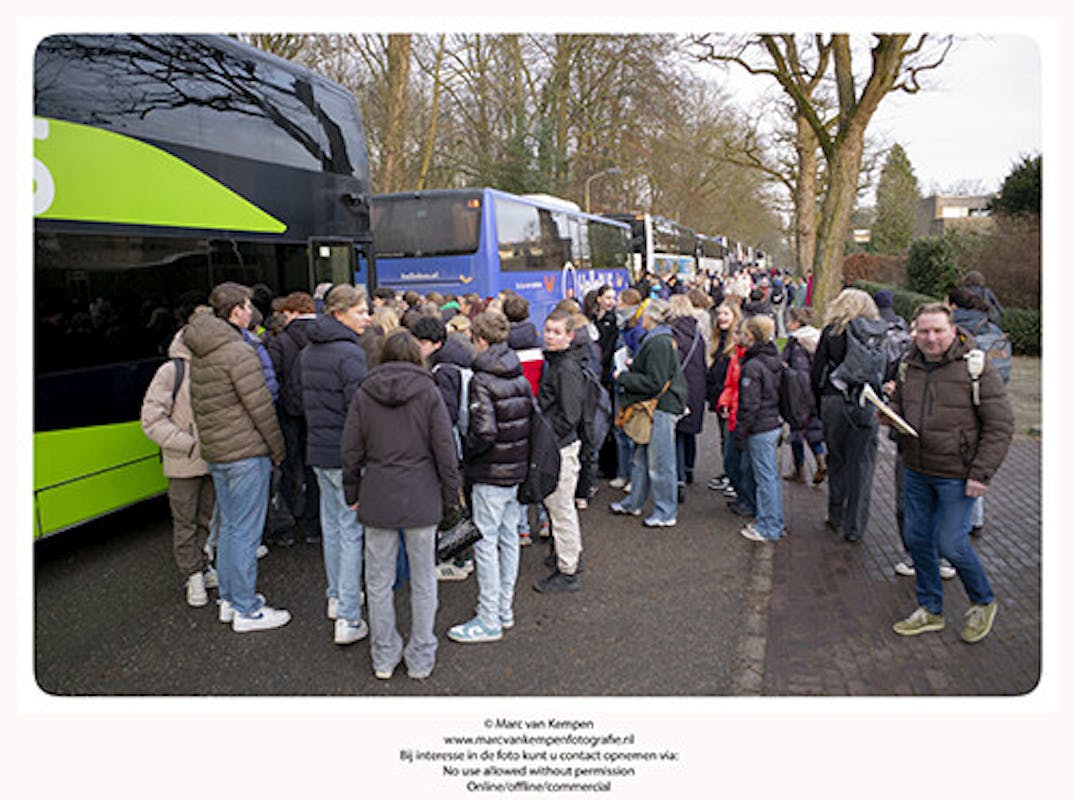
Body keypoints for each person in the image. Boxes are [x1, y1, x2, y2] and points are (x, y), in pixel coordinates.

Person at [888, 303, 1013, 643]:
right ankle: (930, 608)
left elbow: (1000, 425)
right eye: (924, 331)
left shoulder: (975, 366)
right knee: (917, 539)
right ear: (915, 332)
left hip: (957, 474)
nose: (931, 338)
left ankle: (983, 601)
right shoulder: (908, 363)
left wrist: (981, 474)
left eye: (938, 331)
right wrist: (889, 411)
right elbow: (902, 404)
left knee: (951, 543)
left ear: (953, 330)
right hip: (916, 469)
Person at [341, 329, 462, 679]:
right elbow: (445, 451)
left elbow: (350, 449)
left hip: (378, 493)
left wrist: (352, 492)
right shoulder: (429, 391)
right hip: (421, 495)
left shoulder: (365, 393)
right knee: (424, 580)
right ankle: (421, 656)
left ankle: (383, 655)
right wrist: (450, 498)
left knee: (378, 582)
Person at [184, 283, 288, 632]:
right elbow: (260, 407)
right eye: (247, 306)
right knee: (245, 532)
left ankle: (229, 599)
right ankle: (246, 608)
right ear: (236, 311)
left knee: (229, 528)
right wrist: (277, 449)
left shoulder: (202, 351)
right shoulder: (239, 352)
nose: (251, 312)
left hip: (218, 452)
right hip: (246, 451)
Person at [446, 311, 532, 643]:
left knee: (485, 544)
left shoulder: (481, 379)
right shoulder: (517, 374)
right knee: (509, 539)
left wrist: (469, 456)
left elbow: (483, 431)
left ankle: (488, 617)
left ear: (480, 340)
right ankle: (503, 609)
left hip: (490, 472)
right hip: (516, 469)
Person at [300, 285, 372, 644]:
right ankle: (348, 615)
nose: (367, 318)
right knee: (350, 530)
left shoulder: (309, 350)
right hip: (346, 455)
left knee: (333, 528)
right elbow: (359, 412)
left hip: (319, 450)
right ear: (339, 313)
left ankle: (336, 595)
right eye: (361, 312)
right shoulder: (350, 353)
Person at [140, 308, 217, 608]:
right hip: (184, 460)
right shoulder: (171, 371)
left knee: (206, 518)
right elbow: (151, 420)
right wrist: (188, 444)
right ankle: (192, 574)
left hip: (212, 458)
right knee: (185, 521)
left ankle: (204, 564)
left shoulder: (213, 365)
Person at [810, 288, 883, 543]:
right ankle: (855, 526)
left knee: (837, 459)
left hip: (835, 401)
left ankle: (835, 515)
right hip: (866, 400)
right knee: (862, 465)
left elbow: (817, 371)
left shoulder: (832, 332)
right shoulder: (879, 333)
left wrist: (818, 402)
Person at [610, 299, 688, 528]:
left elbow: (655, 382)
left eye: (643, 314)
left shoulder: (658, 342)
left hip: (660, 407)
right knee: (642, 459)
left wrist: (623, 377)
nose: (640, 318)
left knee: (659, 463)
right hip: (658, 406)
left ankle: (665, 513)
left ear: (651, 317)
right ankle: (634, 503)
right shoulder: (660, 339)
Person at [534, 308, 588, 592]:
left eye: (556, 332)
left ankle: (567, 570)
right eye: (548, 331)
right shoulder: (559, 363)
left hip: (560, 447)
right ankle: (568, 555)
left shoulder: (565, 368)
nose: (550, 337)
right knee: (559, 506)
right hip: (559, 444)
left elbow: (570, 415)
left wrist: (546, 439)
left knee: (560, 507)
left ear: (569, 336)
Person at [266, 291, 320, 546]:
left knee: (288, 468)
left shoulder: (281, 341)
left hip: (288, 411)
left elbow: (273, 375)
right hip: (317, 410)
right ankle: (313, 526)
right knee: (314, 469)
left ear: (293, 313)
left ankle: (286, 527)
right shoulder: (321, 336)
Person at [735, 315, 786, 542]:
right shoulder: (773, 359)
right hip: (772, 421)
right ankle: (772, 520)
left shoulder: (753, 366)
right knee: (770, 477)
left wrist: (740, 431)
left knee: (765, 478)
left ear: (751, 335)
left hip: (760, 427)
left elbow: (750, 404)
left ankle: (769, 527)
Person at [668, 294, 707, 502]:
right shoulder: (697, 333)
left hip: (679, 387)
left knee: (677, 435)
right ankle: (689, 469)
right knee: (689, 432)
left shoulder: (673, 334)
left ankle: (678, 481)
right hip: (696, 387)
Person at [781, 307, 827, 484]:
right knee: (813, 428)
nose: (787, 324)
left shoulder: (796, 342)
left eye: (789, 321)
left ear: (797, 323)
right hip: (815, 391)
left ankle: (799, 470)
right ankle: (820, 459)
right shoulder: (817, 338)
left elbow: (791, 366)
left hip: (798, 391)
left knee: (796, 430)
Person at [706, 301, 742, 492]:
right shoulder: (718, 339)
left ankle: (735, 477)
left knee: (731, 440)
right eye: (719, 313)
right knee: (724, 438)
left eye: (726, 314)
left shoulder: (736, 342)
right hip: (719, 397)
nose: (721, 317)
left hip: (730, 400)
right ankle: (729, 473)